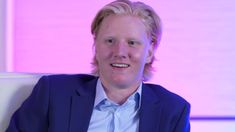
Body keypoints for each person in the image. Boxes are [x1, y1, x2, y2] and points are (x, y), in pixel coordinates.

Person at [6, 0, 190, 132]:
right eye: (110, 40)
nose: (119, 51)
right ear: (96, 46)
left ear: (150, 51)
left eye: (132, 43)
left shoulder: (173, 110)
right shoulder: (53, 94)